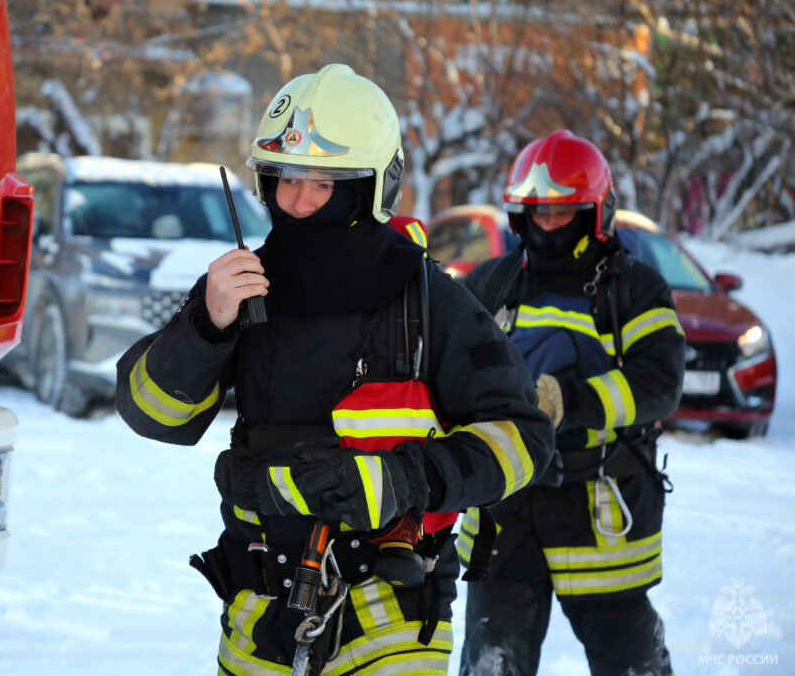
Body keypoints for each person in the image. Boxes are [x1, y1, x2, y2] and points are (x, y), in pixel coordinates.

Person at [116, 63, 554, 676]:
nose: (297, 203)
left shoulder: (429, 301)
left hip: (393, 620)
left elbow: (525, 439)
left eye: (323, 183)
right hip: (257, 620)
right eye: (285, 178)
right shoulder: (240, 288)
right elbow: (153, 415)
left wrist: (404, 480)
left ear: (372, 188)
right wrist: (206, 326)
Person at [457, 129, 686, 675]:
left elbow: (660, 381)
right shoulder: (491, 282)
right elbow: (450, 367)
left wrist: (569, 401)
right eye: (537, 213)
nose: (549, 226)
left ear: (596, 213)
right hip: (504, 514)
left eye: (563, 214)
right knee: (491, 664)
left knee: (630, 663)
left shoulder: (635, 290)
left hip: (601, 516)